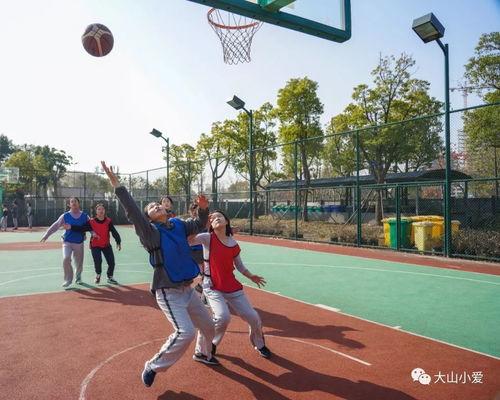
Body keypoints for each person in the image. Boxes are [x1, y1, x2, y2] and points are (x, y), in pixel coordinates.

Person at [101, 161, 218, 388]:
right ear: (149, 218)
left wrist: (204, 208)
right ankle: (153, 365)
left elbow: (198, 224)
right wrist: (117, 185)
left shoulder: (178, 224)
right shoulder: (150, 233)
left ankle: (202, 353)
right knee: (185, 332)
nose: (156, 206)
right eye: (152, 208)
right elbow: (133, 211)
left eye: (157, 205)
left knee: (209, 327)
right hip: (168, 291)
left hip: (187, 289)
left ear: (166, 210)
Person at [191, 209, 272, 359]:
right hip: (212, 286)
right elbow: (189, 240)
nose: (216, 218)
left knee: (253, 317)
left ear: (227, 221)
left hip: (231, 285)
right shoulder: (207, 238)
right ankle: (205, 347)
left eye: (219, 216)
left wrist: (251, 276)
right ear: (210, 224)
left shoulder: (233, 243)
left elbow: (239, 266)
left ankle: (259, 343)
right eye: (213, 218)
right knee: (223, 317)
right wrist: (201, 222)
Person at [65, 203, 122, 284]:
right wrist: (71, 227)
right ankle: (98, 275)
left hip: (106, 245)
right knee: (98, 261)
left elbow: (114, 232)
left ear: (105, 211)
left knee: (111, 262)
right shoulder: (91, 222)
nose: (101, 211)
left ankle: (110, 277)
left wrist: (118, 241)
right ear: (96, 211)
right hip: (95, 246)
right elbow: (82, 228)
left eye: (102, 209)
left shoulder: (108, 221)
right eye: (99, 209)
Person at [40, 197, 89, 287]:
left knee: (79, 262)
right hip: (67, 241)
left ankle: (78, 278)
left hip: (79, 242)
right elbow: (56, 225)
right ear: (69, 205)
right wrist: (46, 235)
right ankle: (68, 280)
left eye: (75, 201)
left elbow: (91, 226)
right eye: (72, 202)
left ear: (79, 203)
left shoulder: (85, 216)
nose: (73, 203)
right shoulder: (65, 216)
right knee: (66, 258)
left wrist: (94, 234)